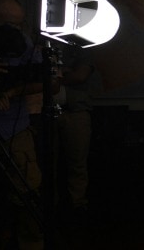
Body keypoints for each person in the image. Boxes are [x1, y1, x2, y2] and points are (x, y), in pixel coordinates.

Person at [0, 0, 46, 249]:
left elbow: (43, 81)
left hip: (15, 131)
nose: (15, 30)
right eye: (8, 24)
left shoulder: (24, 44)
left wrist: (11, 92)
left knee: (26, 192)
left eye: (19, 23)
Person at [53, 43, 95, 225]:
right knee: (47, 161)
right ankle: (49, 205)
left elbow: (80, 76)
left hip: (76, 111)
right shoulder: (41, 46)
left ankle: (78, 205)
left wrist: (55, 75)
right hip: (47, 111)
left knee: (78, 163)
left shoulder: (81, 49)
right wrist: (66, 72)